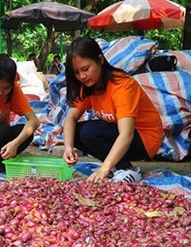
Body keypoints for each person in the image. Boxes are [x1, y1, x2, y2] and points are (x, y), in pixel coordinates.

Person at [62, 37, 163, 183]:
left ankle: (127, 169)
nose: (82, 76)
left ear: (100, 60)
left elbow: (126, 134)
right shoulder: (89, 86)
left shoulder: (122, 86)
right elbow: (70, 118)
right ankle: (116, 167)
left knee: (89, 132)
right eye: (76, 73)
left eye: (85, 69)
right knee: (75, 133)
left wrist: (103, 168)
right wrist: (68, 148)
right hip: (121, 134)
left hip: (145, 140)